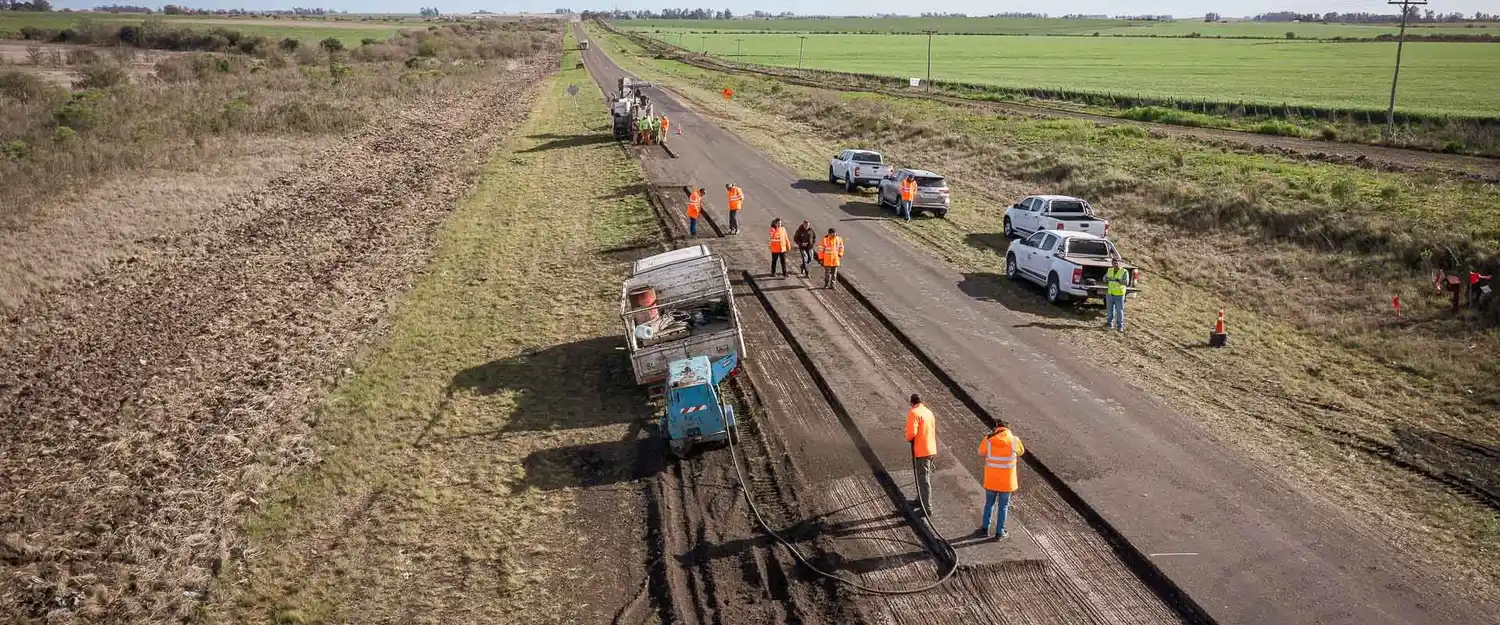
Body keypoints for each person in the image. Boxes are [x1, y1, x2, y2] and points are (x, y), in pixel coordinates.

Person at [977, 420, 1024, 540]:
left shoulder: (988, 439)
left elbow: (980, 452)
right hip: (1007, 482)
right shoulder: (1014, 440)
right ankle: (999, 533)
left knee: (989, 504)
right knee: (1003, 507)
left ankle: (984, 529)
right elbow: (1021, 452)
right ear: (1008, 428)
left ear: (996, 428)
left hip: (992, 480)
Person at [904, 394, 938, 516]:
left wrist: (908, 437)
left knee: (924, 479)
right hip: (931, 448)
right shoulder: (929, 412)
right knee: (922, 476)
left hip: (922, 450)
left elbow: (911, 433)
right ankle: (920, 500)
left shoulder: (914, 413)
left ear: (912, 402)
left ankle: (927, 508)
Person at [1104, 257, 1128, 332]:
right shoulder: (1109, 270)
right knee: (1110, 311)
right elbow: (1104, 278)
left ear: (1119, 263)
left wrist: (1118, 280)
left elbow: (1126, 282)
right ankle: (1109, 324)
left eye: (1117, 263)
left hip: (1119, 295)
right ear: (1112, 264)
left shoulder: (1124, 271)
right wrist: (1107, 279)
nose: (1116, 265)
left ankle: (1120, 326)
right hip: (1110, 294)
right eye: (1114, 263)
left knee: (1119, 311)